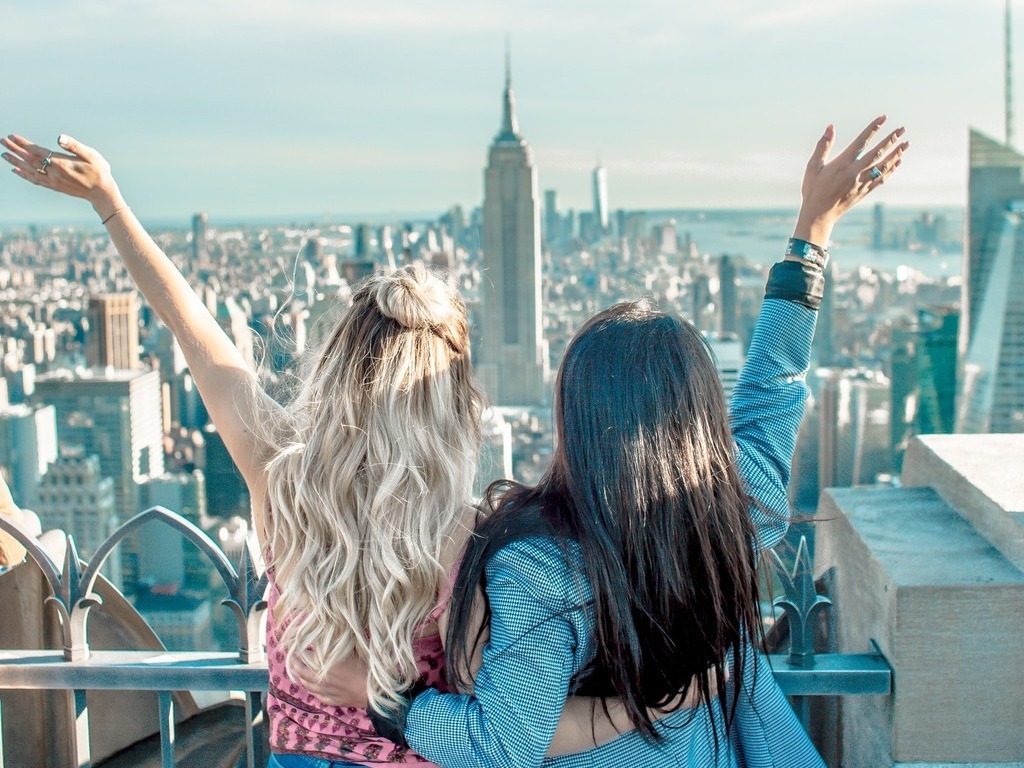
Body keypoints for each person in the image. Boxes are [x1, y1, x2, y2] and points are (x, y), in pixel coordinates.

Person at [297, 116, 909, 767]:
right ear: (699, 416)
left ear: (574, 419)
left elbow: (499, 746)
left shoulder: (537, 563)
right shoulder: (729, 513)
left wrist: (386, 700)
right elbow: (771, 392)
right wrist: (812, 231)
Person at [2, 133, 487, 766]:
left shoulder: (283, 480)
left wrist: (109, 201)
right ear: (446, 395)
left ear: (340, 371)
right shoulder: (469, 533)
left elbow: (192, 328)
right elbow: (492, 718)